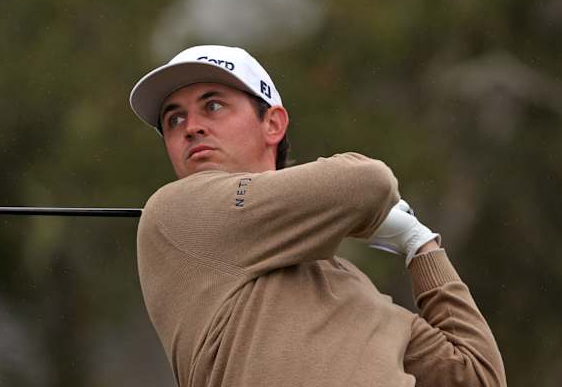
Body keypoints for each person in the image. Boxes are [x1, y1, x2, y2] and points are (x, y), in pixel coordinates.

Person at [128, 45, 506, 387]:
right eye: (174, 120)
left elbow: (476, 376)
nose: (191, 127)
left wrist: (420, 246)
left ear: (273, 123)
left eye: (212, 106)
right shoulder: (175, 210)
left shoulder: (357, 290)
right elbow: (368, 182)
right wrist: (363, 212)